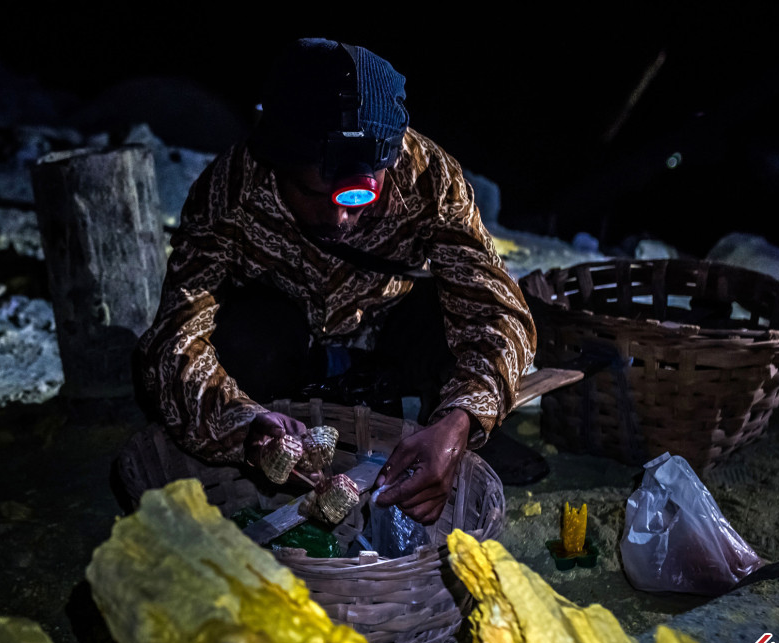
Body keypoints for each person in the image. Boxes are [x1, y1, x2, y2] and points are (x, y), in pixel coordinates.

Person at [136, 38, 538, 524]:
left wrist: (463, 419)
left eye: (357, 197)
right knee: (241, 338)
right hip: (286, 349)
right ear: (278, 162)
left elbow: (498, 312)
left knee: (452, 316)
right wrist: (241, 423)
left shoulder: (429, 177)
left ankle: (441, 434)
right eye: (314, 192)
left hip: (388, 337)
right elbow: (173, 340)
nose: (340, 217)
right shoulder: (230, 190)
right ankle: (275, 432)